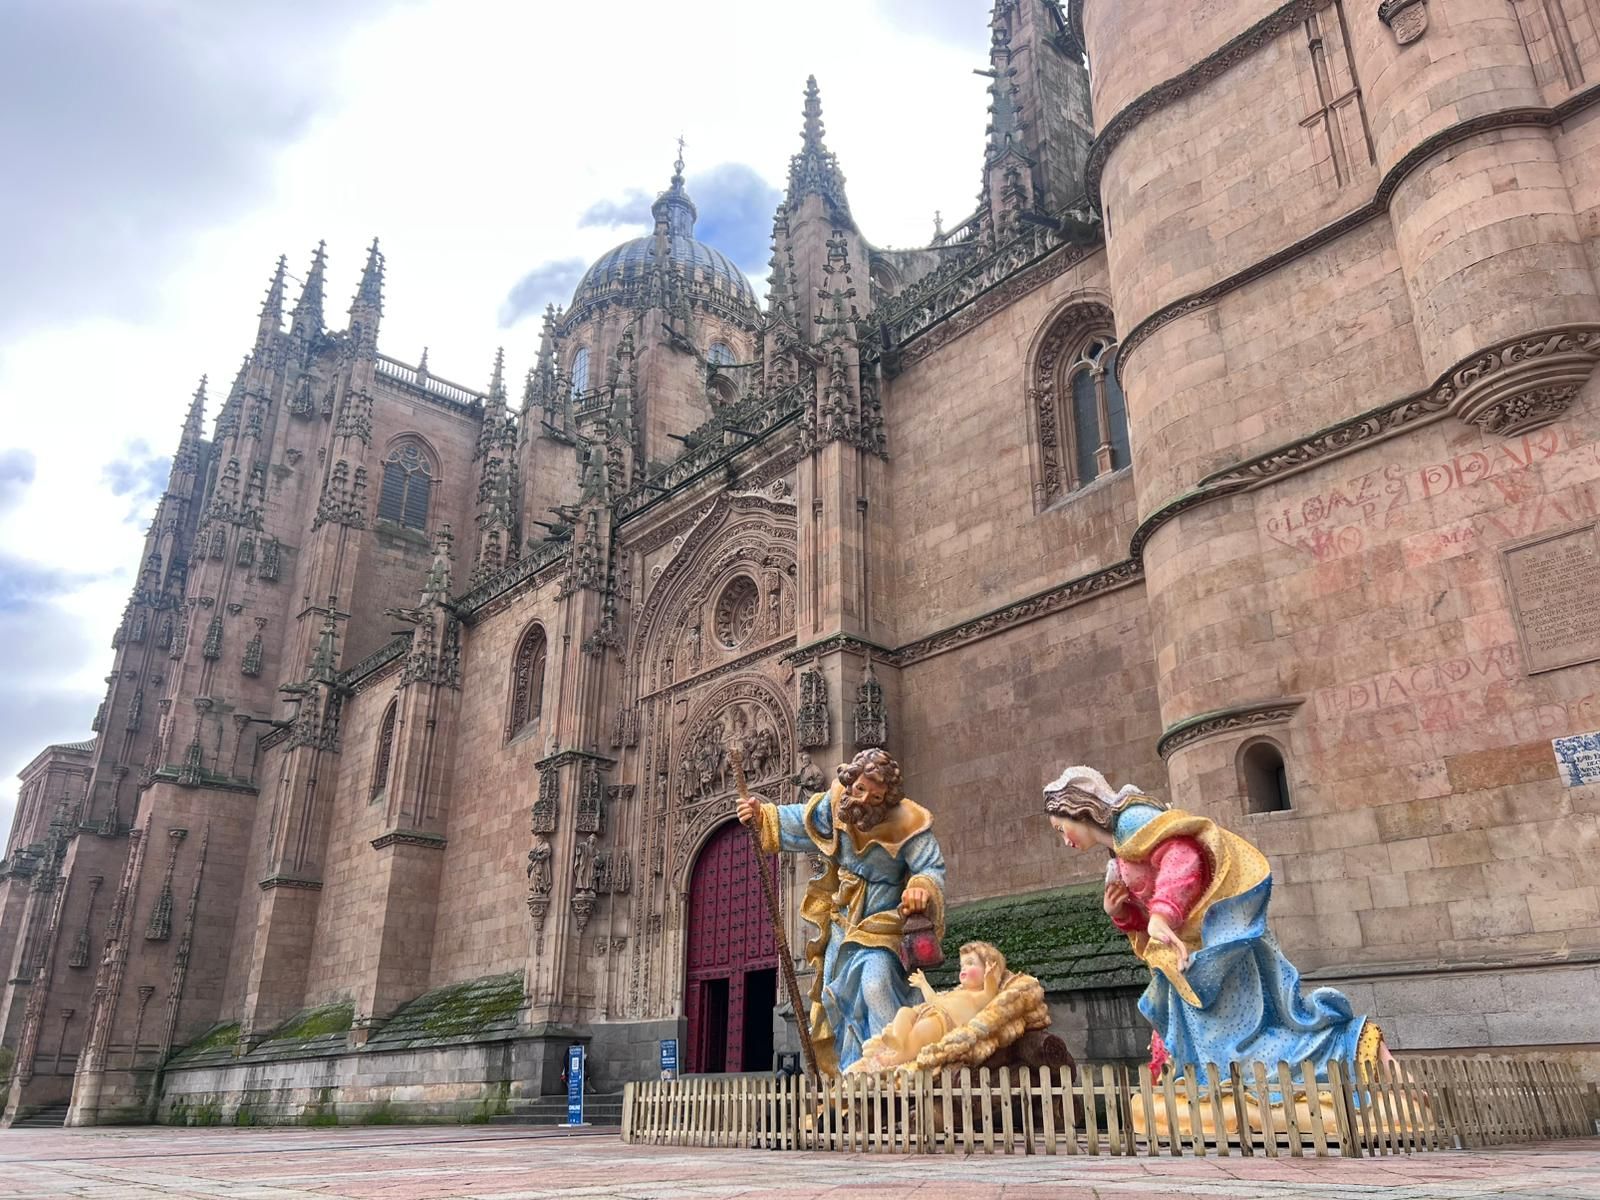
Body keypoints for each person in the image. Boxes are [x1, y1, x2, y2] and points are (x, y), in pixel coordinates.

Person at [1044, 765, 1385, 1082]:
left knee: (1242, 1042)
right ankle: (1228, 1097)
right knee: (1220, 1046)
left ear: (1078, 808)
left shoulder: (1133, 820)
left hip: (1214, 945)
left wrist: (1163, 913)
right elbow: (1147, 918)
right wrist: (1120, 912)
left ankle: (1348, 1048)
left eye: (1061, 829)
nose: (1065, 841)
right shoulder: (1119, 852)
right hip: (1188, 961)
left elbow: (1183, 857)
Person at [737, 747, 945, 1073]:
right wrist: (762, 815)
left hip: (882, 924)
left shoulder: (909, 823)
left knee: (875, 984)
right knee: (834, 1000)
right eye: (858, 789)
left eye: (874, 797)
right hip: (842, 926)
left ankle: (890, 1070)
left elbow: (930, 866)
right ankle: (851, 1075)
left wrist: (921, 887)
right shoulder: (837, 805)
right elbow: (801, 821)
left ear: (887, 799)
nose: (862, 800)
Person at [846, 941, 1006, 1074]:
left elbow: (990, 993)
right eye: (962, 965)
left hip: (943, 1023)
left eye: (970, 963)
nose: (963, 968)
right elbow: (934, 1000)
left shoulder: (978, 997)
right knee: (904, 1012)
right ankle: (898, 1039)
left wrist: (990, 978)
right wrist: (923, 983)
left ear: (990, 969)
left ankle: (898, 1058)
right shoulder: (955, 993)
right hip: (929, 1012)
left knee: (922, 1029)